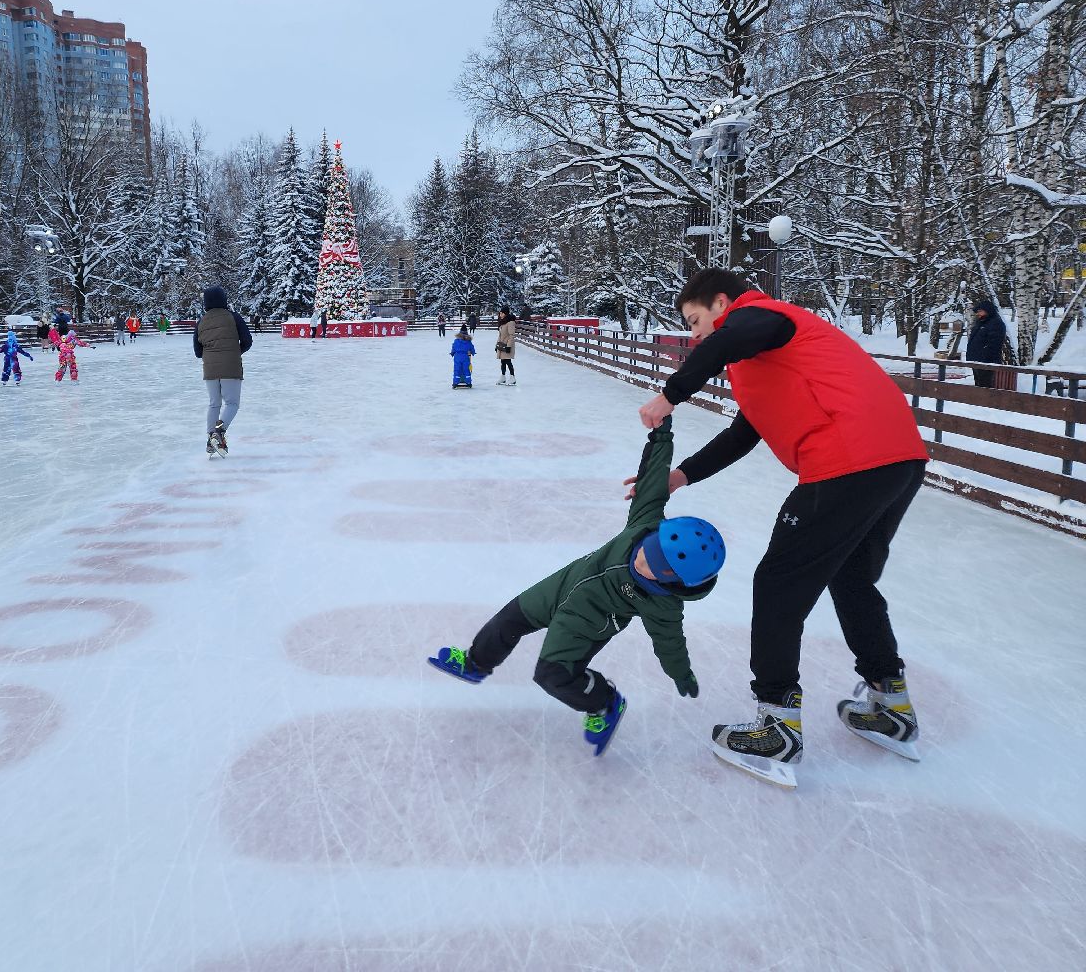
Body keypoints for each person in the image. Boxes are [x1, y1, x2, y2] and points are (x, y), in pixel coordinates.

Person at [637, 268, 928, 787]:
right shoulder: (763, 358)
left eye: (697, 321)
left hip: (848, 460)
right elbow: (745, 432)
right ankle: (891, 703)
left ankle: (776, 725)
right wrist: (680, 476)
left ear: (723, 303)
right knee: (853, 578)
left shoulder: (760, 319)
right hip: (897, 459)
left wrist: (670, 395)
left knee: (777, 582)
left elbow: (735, 336)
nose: (696, 336)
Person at [430, 419, 722, 757]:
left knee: (552, 676)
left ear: (674, 582)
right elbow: (655, 475)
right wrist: (661, 433)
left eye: (654, 566)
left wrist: (681, 673)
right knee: (507, 620)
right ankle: (475, 664)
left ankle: (605, 702)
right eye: (649, 547)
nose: (641, 557)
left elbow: (670, 642)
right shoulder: (645, 524)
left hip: (589, 622)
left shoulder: (664, 605)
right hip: (564, 585)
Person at [193, 286, 252, 457]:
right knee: (232, 404)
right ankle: (218, 434)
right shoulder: (233, 317)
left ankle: (211, 441)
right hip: (231, 367)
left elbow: (198, 352)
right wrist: (234, 353)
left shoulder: (201, 321)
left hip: (210, 368)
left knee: (214, 404)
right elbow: (247, 341)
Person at [965, 299, 1006, 388]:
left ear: (987, 310)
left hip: (987, 362)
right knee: (979, 386)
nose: (978, 314)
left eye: (980, 311)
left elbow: (994, 344)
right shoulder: (980, 323)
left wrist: (984, 356)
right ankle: (979, 401)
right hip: (977, 361)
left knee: (986, 387)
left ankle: (985, 401)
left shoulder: (995, 323)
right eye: (978, 311)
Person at [495, 307, 518, 385]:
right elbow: (500, 335)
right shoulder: (503, 322)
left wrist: (509, 346)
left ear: (505, 313)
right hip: (502, 345)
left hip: (507, 345)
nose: (500, 315)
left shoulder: (510, 322)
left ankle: (512, 377)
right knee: (503, 361)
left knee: (508, 361)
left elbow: (511, 335)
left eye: (501, 313)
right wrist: (497, 345)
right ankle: (503, 377)